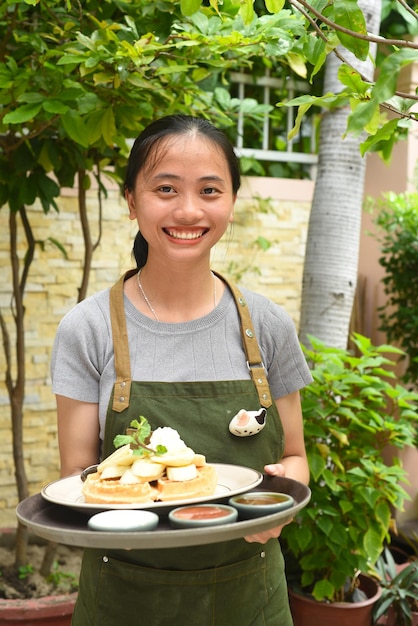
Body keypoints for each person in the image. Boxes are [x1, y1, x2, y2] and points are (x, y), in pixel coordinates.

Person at [51, 114, 312, 625]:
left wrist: (279, 506)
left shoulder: (269, 325)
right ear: (131, 201)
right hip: (124, 595)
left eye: (210, 190)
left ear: (233, 200)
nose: (188, 209)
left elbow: (296, 457)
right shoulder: (88, 329)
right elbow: (76, 480)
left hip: (249, 593)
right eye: (165, 188)